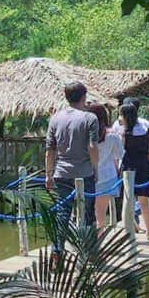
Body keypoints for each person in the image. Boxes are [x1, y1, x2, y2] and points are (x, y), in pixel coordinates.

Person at [44, 81, 100, 261]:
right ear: (84, 97)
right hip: (84, 172)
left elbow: (50, 150)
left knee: (62, 214)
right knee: (86, 213)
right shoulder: (90, 119)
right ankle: (87, 253)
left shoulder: (55, 118)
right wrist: (95, 167)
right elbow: (92, 146)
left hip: (62, 173)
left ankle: (57, 250)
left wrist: (48, 174)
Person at [116, 100, 149, 241]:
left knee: (128, 200)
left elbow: (121, 153)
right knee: (144, 201)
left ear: (124, 116)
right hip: (143, 165)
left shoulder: (123, 132)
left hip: (129, 167)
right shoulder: (145, 128)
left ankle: (130, 231)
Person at [84, 102, 123, 228]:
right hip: (107, 176)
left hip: (87, 176)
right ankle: (100, 241)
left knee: (86, 214)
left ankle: (88, 242)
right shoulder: (113, 136)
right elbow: (119, 156)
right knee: (100, 215)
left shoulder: (83, 136)